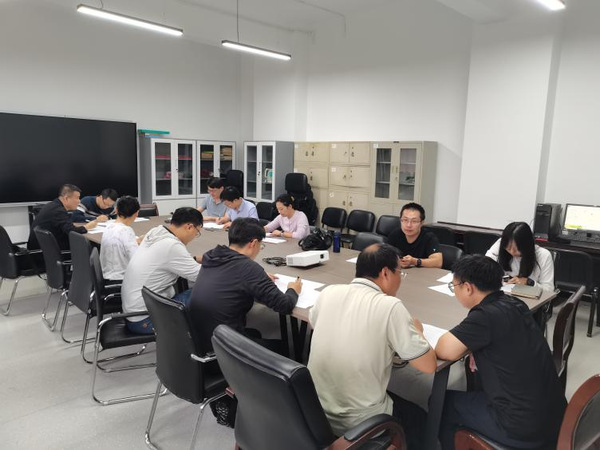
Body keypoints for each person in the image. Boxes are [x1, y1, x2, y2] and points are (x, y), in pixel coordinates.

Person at [307, 243, 437, 449]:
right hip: (358, 422)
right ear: (385, 273)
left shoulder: (328, 292)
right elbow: (428, 365)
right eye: (399, 273)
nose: (400, 279)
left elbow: (315, 323)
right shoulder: (390, 306)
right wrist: (417, 331)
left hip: (314, 411)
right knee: (420, 418)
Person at [435, 255, 566, 450]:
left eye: (454, 286)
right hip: (555, 417)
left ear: (468, 288)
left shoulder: (484, 317)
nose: (455, 291)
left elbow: (444, 350)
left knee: (442, 402)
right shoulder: (515, 304)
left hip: (522, 426)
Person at [188, 217, 301, 354]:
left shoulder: (213, 255)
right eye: (261, 245)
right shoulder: (248, 268)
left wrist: (259, 276)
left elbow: (235, 274)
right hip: (223, 348)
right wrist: (293, 289)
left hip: (199, 339)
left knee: (255, 333)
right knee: (285, 348)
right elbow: (284, 305)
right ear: (253, 243)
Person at [120, 207, 203, 335]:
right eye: (197, 232)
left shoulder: (156, 232)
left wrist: (195, 259)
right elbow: (202, 277)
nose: (194, 236)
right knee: (208, 291)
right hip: (146, 319)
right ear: (189, 227)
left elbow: (165, 260)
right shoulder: (172, 245)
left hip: (133, 313)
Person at [485, 221, 554, 292]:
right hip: (503, 293)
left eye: (517, 249)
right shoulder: (500, 244)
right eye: (508, 248)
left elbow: (549, 290)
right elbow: (485, 268)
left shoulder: (543, 255)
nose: (512, 252)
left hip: (529, 296)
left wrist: (529, 282)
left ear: (527, 244)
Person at [27, 184, 100, 250]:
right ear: (66, 198)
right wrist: (87, 227)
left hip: (42, 249)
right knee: (92, 246)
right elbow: (72, 232)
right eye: (77, 198)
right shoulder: (59, 211)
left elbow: (66, 227)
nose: (79, 201)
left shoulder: (53, 205)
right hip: (47, 252)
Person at [99, 196, 141, 283]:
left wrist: (136, 241)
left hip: (105, 275)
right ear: (136, 214)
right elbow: (136, 260)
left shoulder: (109, 227)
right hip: (121, 279)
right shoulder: (127, 231)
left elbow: (120, 242)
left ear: (116, 210)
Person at [387, 202, 442, 268]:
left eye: (414, 221)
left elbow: (438, 262)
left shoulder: (429, 237)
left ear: (422, 223)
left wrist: (415, 261)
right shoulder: (395, 234)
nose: (408, 225)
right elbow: (385, 256)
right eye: (405, 220)